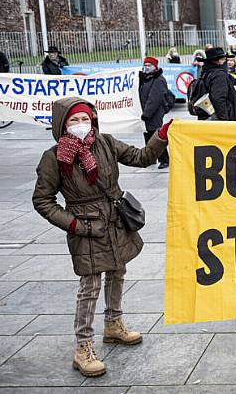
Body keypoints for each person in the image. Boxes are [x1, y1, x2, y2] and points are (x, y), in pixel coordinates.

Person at [32, 98, 172, 377]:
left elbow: (141, 157)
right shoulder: (53, 157)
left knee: (118, 271)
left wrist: (161, 136)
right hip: (86, 227)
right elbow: (42, 200)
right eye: (74, 121)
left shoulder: (105, 143)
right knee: (90, 286)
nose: (81, 125)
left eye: (85, 119)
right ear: (62, 124)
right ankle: (83, 347)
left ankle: (113, 325)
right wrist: (74, 225)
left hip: (114, 222)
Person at [138, 57, 173, 169]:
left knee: (156, 137)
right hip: (146, 113)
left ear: (155, 67)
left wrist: (147, 113)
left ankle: (165, 160)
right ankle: (151, 158)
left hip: (154, 114)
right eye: (145, 65)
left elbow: (155, 98)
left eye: (149, 65)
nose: (146, 67)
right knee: (147, 136)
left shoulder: (158, 79)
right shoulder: (145, 79)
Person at [196, 47, 236, 121]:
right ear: (219, 61)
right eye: (224, 59)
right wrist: (224, 120)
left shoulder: (206, 72)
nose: (225, 62)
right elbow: (218, 99)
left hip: (208, 116)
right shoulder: (219, 75)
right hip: (218, 119)